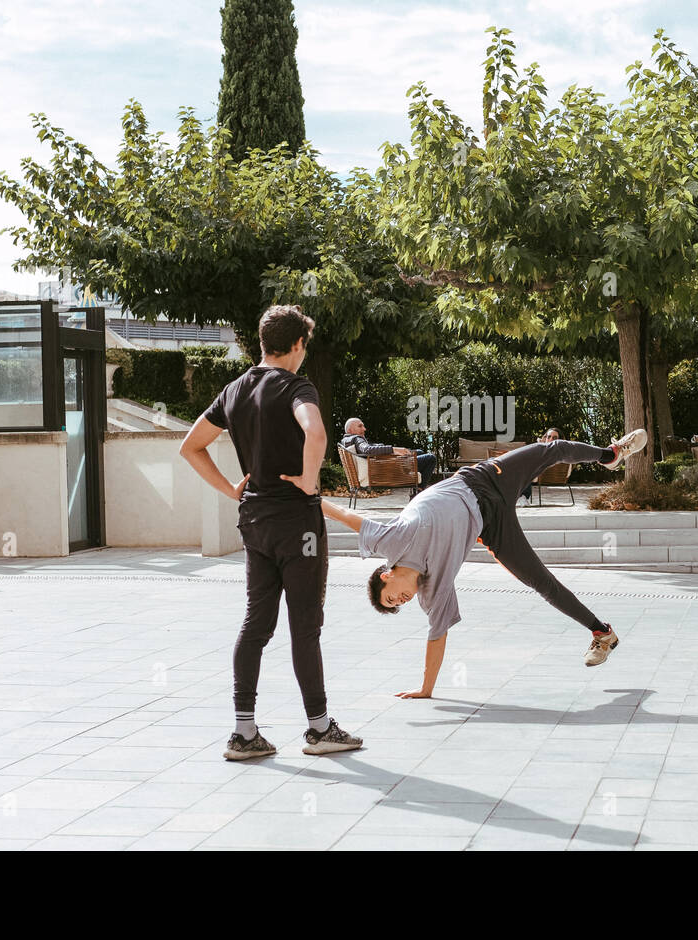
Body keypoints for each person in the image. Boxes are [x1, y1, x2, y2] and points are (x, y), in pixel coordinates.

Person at [320, 430, 649, 698]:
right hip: (491, 525)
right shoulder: (433, 592)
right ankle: (602, 633)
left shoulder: (391, 541)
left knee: (552, 448)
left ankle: (611, 455)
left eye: (391, 597)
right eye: (396, 607)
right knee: (540, 581)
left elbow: (348, 516)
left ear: (386, 574)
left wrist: (311, 499)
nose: (400, 602)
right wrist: (426, 689)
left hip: (485, 480)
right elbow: (436, 637)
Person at [179, 304, 362, 759]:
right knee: (305, 625)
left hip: (254, 520)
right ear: (297, 345)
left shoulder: (234, 390)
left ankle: (243, 733)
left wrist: (230, 489)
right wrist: (308, 477)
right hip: (297, 521)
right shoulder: (297, 386)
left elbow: (190, 446)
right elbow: (315, 431)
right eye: (306, 346)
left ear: (263, 343)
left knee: (255, 624)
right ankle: (319, 729)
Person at [340, 418, 437, 486]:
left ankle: (417, 487)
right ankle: (419, 491)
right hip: (389, 467)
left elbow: (367, 449)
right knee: (431, 458)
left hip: (384, 463)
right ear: (350, 430)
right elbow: (367, 450)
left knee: (419, 452)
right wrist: (394, 449)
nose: (364, 429)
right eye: (360, 426)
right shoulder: (357, 438)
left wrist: (381, 446)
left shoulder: (347, 440)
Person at [519, 428, 561, 505]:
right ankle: (522, 497)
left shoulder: (558, 452)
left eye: (554, 438)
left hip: (538, 472)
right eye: (548, 437)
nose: (551, 439)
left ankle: (523, 496)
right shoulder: (543, 448)